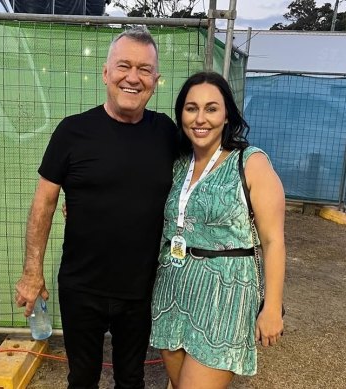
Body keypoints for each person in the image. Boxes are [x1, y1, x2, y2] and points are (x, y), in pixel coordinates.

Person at [14, 26, 179, 389]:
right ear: (106, 73)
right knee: (83, 378)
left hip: (140, 289)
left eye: (144, 69)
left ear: (156, 79)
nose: (132, 78)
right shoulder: (72, 132)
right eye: (123, 66)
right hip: (81, 287)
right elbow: (44, 202)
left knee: (131, 379)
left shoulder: (167, 133)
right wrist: (31, 273)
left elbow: (201, 174)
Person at [150, 71, 286, 388]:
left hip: (225, 294)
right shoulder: (178, 162)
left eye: (211, 108)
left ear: (227, 116)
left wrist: (272, 308)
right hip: (173, 288)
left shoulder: (250, 163)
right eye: (191, 108)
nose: (201, 118)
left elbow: (273, 241)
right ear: (181, 114)